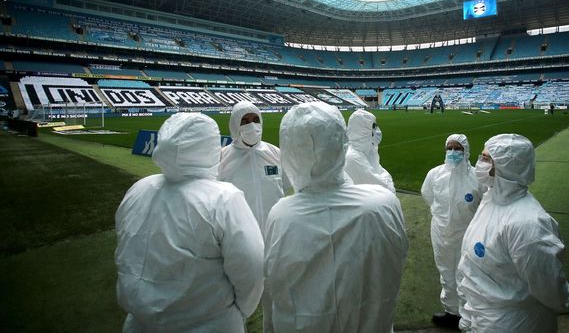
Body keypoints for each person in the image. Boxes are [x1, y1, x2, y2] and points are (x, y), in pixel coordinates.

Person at [263, 102, 409, 333]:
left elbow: (273, 287)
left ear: (289, 151)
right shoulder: (384, 204)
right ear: (342, 142)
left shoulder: (282, 215)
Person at [115, 112, 264, 333]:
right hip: (209, 323)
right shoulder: (223, 198)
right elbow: (251, 266)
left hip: (139, 322)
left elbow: (125, 250)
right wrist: (238, 312)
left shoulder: (140, 188)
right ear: (210, 147)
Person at [456, 134, 569, 332]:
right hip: (482, 318)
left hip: (512, 324)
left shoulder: (528, 224)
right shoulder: (490, 200)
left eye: (486, 159)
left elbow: (549, 288)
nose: (480, 163)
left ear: (505, 167)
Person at [421, 134, 485, 328]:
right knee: (446, 272)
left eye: (457, 148)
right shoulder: (435, 174)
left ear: (465, 151)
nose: (453, 152)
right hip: (440, 231)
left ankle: (469, 316)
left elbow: (484, 205)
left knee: (467, 274)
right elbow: (428, 195)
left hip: (467, 233)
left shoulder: (476, 177)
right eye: (449, 148)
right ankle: (452, 312)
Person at [218, 100, 291, 233]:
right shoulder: (222, 157)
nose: (251, 125)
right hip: (238, 235)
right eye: (245, 121)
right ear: (235, 125)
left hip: (274, 231)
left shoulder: (275, 153)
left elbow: (286, 189)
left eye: (255, 119)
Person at [344, 108, 396, 193]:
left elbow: (378, 171)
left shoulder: (366, 151)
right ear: (362, 130)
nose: (376, 130)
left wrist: (383, 177)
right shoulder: (353, 157)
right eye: (373, 127)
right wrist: (386, 178)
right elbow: (386, 190)